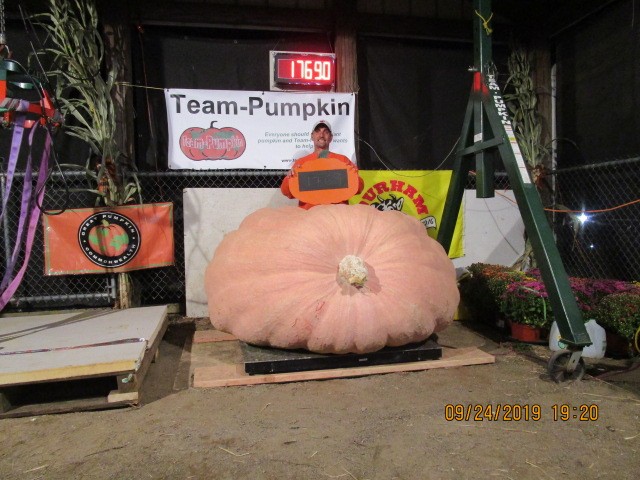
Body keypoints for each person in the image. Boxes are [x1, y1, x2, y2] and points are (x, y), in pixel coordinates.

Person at [281, 120, 364, 209]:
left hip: (337, 213)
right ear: (312, 136)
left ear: (331, 137)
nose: (321, 135)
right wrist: (289, 178)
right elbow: (287, 192)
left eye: (326, 132)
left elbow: (359, 188)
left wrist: (353, 176)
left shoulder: (343, 161)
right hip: (309, 214)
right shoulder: (301, 163)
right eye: (318, 131)